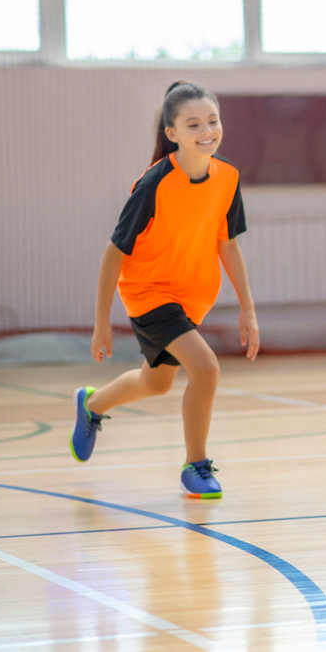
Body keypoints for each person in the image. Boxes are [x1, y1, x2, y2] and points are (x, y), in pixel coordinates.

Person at [71, 81, 259, 499]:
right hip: (149, 294)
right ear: (171, 133)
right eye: (193, 124)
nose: (207, 130)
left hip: (192, 298)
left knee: (155, 382)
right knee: (206, 369)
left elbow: (227, 244)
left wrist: (248, 308)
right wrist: (101, 323)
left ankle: (92, 405)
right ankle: (196, 466)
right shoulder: (154, 183)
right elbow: (113, 254)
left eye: (213, 120)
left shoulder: (227, 177)